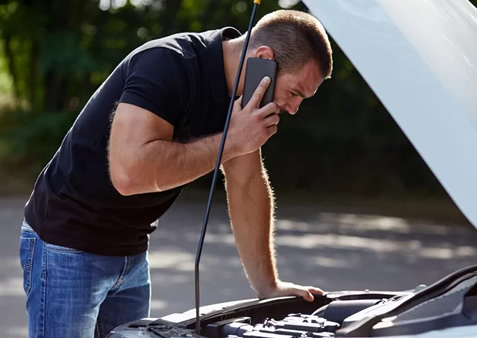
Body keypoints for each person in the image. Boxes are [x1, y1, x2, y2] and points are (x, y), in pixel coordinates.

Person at [19, 9, 333, 338]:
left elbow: (247, 184)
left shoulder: (243, 99)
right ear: (264, 58)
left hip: (132, 252)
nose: (294, 108)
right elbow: (129, 175)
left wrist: (269, 286)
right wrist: (231, 141)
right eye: (295, 92)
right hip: (66, 245)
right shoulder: (167, 63)